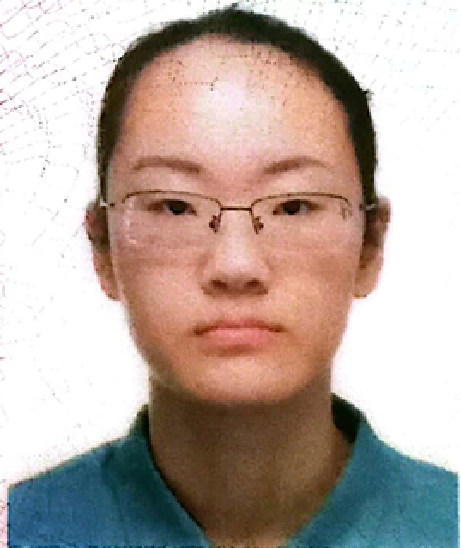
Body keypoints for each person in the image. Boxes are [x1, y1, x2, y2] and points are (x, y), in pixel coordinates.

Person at [8, 5, 458, 547]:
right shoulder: (19, 528)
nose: (236, 266)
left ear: (370, 244)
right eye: (176, 206)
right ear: (103, 246)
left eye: (293, 206)